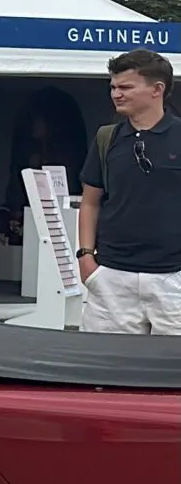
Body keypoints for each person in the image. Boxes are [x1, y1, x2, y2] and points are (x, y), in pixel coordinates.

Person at [77, 48, 181, 334]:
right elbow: (90, 202)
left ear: (156, 89)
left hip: (173, 278)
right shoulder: (106, 138)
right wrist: (86, 258)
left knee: (170, 373)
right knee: (103, 369)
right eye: (113, 86)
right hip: (111, 276)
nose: (116, 93)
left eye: (125, 87)